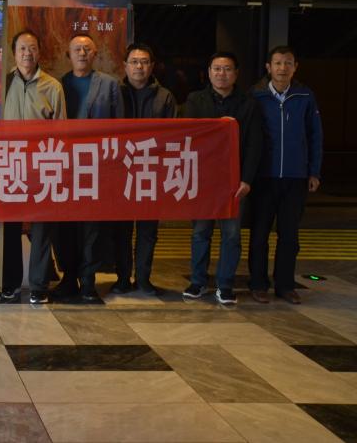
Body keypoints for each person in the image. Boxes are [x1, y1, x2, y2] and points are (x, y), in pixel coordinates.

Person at [182, 52, 262, 305]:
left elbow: (255, 144)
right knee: (200, 232)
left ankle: (225, 285)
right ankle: (197, 282)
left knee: (232, 234)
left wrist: (246, 180)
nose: (221, 74)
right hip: (203, 179)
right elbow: (188, 136)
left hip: (233, 181)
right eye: (216, 68)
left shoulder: (248, 103)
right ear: (208, 72)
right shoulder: (195, 100)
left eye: (227, 69)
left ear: (236, 74)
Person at [249, 46, 323, 304]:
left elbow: (315, 135)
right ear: (268, 67)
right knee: (259, 234)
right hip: (263, 177)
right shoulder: (256, 95)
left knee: (289, 235)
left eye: (288, 63)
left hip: (296, 177)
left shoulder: (305, 96)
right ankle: (258, 284)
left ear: (295, 67)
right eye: (278, 63)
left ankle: (285, 285)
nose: (283, 68)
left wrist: (314, 171)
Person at [0, 29, 67, 305]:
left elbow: (62, 132)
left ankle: (39, 286)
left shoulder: (52, 87)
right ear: (14, 54)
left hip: (42, 165)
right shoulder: (2, 83)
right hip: (7, 165)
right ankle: (10, 283)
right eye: (22, 49)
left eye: (32, 48)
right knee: (9, 227)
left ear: (40, 52)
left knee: (42, 228)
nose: (27, 53)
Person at [58, 33, 124, 301]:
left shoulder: (110, 84)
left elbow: (120, 127)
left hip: (97, 167)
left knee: (92, 229)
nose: (82, 53)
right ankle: (68, 279)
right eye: (77, 49)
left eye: (87, 49)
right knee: (66, 227)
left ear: (95, 54)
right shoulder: (58, 84)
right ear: (69, 55)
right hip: (65, 167)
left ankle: (88, 282)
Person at [111, 43, 177, 295]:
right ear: (125, 66)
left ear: (152, 66)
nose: (139, 67)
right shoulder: (114, 93)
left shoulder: (165, 97)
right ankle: (122, 278)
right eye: (134, 62)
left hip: (152, 172)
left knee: (148, 231)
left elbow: (173, 137)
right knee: (121, 230)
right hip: (121, 172)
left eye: (144, 62)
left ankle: (143, 278)